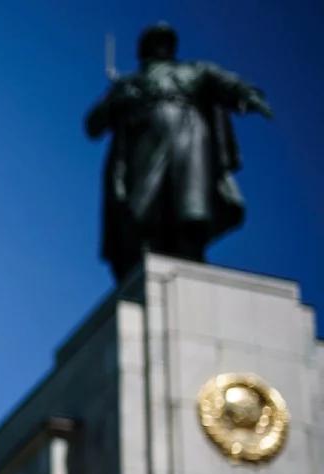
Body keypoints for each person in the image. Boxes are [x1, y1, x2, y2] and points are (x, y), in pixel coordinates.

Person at [85, 22, 272, 281]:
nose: (161, 46)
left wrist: (248, 96)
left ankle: (190, 252)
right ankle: (143, 257)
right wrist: (117, 104)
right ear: (145, 50)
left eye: (165, 41)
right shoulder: (129, 83)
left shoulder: (194, 71)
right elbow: (93, 124)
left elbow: (227, 83)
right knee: (140, 209)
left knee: (190, 207)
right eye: (155, 41)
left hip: (190, 140)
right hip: (145, 143)